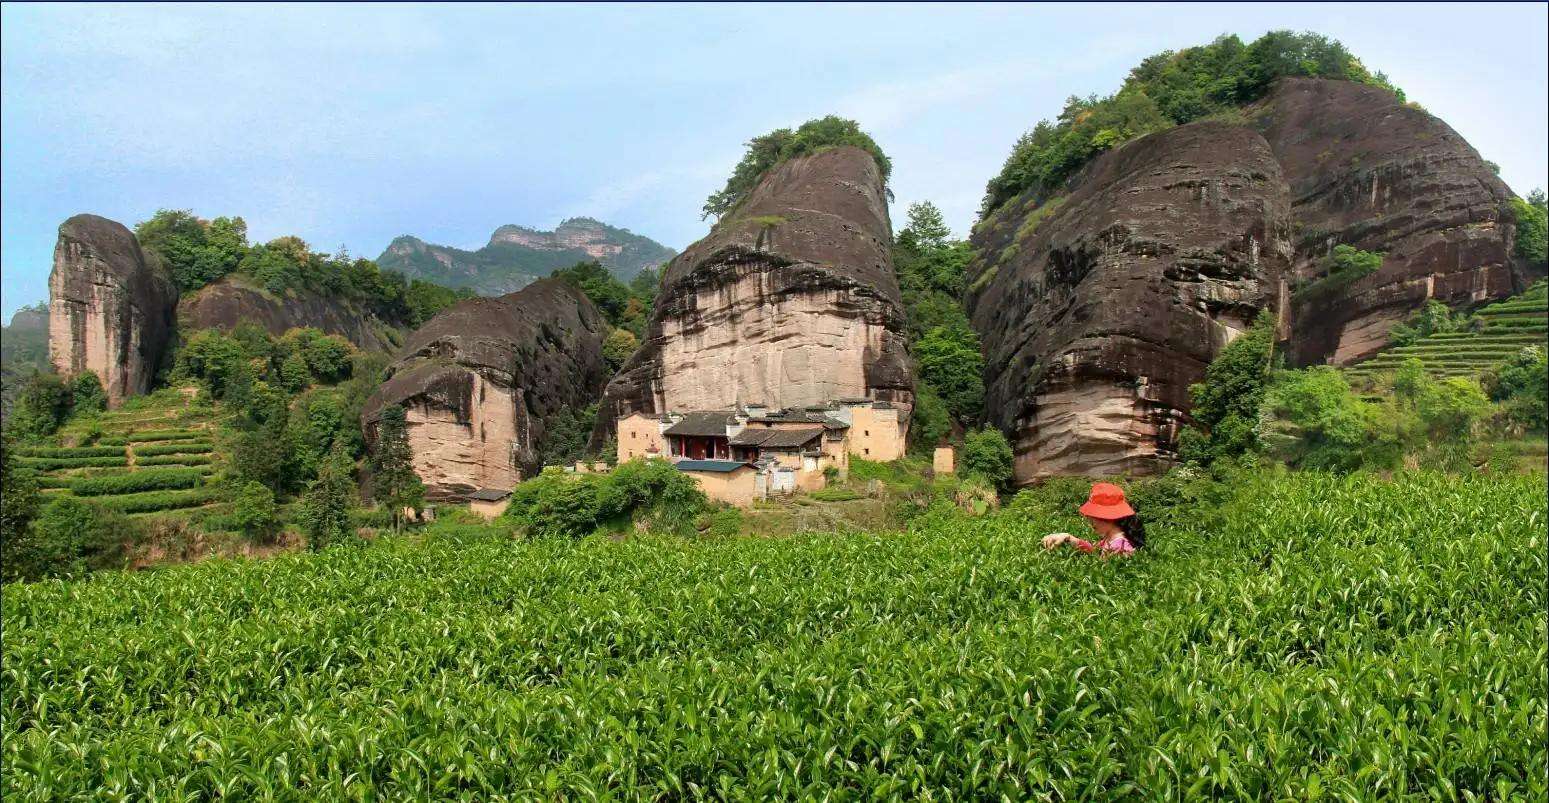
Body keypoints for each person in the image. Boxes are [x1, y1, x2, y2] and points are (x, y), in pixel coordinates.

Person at [1041, 482, 1145, 556]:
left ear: (1108, 517)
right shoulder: (1111, 539)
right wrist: (1068, 538)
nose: (1090, 521)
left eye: (1094, 517)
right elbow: (1094, 550)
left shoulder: (1119, 548)